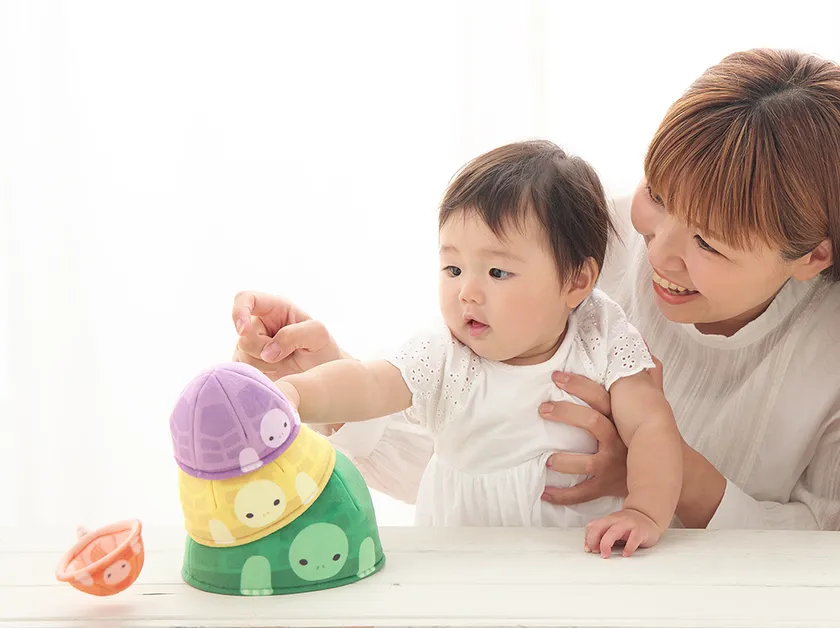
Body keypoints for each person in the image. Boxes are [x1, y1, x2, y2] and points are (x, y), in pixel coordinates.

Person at [233, 48, 840, 532]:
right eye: (657, 195)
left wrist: (656, 476)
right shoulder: (574, 240)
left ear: (812, 256)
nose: (657, 252)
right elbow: (471, 454)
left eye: (709, 243)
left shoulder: (824, 355)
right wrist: (321, 385)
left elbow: (820, 553)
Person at [271, 141, 683, 558]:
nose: (466, 291)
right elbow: (369, 383)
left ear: (576, 282)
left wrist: (644, 511)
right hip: (461, 556)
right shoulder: (445, 350)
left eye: (497, 272)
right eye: (453, 269)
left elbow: (650, 424)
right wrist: (294, 394)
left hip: (581, 555)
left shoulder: (600, 332)